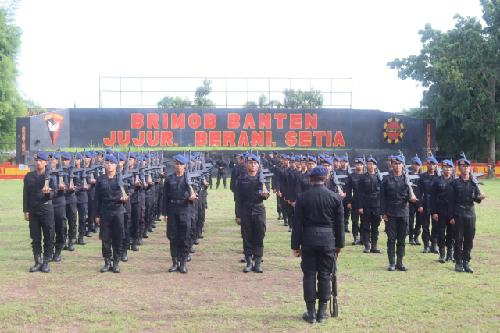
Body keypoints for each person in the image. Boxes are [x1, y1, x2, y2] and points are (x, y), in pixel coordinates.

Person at [292, 165, 344, 324]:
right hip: (328, 239)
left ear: (311, 179)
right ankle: (322, 312)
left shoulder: (302, 198)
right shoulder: (335, 197)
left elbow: (297, 224)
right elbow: (340, 224)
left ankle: (310, 312)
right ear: (326, 178)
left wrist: (295, 245)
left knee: (309, 275)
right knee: (325, 275)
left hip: (308, 239)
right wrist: (339, 245)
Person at [381, 155, 417, 271]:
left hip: (403, 212)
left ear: (403, 165)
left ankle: (399, 263)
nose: (397, 166)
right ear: (392, 165)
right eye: (395, 164)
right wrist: (383, 213)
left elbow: (410, 195)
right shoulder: (386, 179)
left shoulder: (406, 179)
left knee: (402, 238)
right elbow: (382, 197)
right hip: (390, 212)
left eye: (399, 163)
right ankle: (391, 263)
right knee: (391, 239)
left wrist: (411, 199)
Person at [449, 157, 485, 273]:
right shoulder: (454, 183)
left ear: (470, 168)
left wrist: (480, 197)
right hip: (458, 213)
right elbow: (451, 201)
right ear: (459, 168)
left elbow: (476, 199)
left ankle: (466, 262)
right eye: (462, 166)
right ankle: (458, 262)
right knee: (458, 239)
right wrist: (451, 217)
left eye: (467, 166)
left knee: (469, 239)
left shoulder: (473, 183)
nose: (465, 168)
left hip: (470, 213)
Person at [235, 154, 270, 273]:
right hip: (245, 210)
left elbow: (266, 194)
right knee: (247, 236)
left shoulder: (263, 179)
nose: (253, 165)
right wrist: (238, 215)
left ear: (258, 165)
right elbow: (237, 198)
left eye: (255, 163)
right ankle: (249, 262)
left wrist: (266, 194)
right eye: (250, 163)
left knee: (259, 235)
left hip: (259, 209)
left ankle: (258, 262)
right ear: (246, 164)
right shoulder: (241, 179)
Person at [162, 154, 197, 274]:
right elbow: (165, 197)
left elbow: (195, 193)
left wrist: (192, 196)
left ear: (185, 166)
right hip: (172, 209)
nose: (178, 166)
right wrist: (165, 213)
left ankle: (183, 263)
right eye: (176, 164)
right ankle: (174, 262)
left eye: (181, 164)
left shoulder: (190, 179)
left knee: (185, 237)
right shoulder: (169, 179)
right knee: (173, 237)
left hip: (185, 209)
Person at [23, 152, 55, 273]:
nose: (38, 163)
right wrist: (25, 210)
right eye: (37, 160)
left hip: (47, 210)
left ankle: (46, 262)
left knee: (48, 237)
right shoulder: (29, 176)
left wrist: (48, 193)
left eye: (41, 161)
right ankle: (37, 261)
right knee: (35, 238)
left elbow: (55, 193)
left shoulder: (51, 176)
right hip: (33, 211)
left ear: (46, 162)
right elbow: (25, 194)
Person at [95, 154, 127, 273]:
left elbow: (129, 192)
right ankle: (107, 262)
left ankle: (116, 262)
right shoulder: (100, 179)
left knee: (118, 237)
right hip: (105, 211)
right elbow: (97, 198)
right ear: (104, 164)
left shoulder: (121, 178)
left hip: (118, 210)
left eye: (112, 163)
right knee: (105, 238)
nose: (109, 165)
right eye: (107, 163)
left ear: (116, 165)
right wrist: (97, 215)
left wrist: (125, 198)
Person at [431, 159, 455, 263]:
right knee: (441, 232)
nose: (448, 169)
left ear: (452, 169)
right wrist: (434, 212)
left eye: (450, 168)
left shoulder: (455, 181)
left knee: (451, 233)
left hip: (452, 211)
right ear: (442, 168)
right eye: (446, 167)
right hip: (440, 210)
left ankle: (450, 254)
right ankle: (442, 254)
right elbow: (432, 197)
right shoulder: (437, 181)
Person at [357, 156, 382, 254]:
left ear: (375, 166)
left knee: (375, 226)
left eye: (372, 164)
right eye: (368, 164)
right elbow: (359, 193)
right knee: (366, 226)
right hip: (366, 204)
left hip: (376, 205)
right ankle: (367, 245)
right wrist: (360, 206)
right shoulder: (363, 177)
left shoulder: (379, 177)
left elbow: (382, 193)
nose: (370, 166)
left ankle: (374, 246)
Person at [418, 155, 439, 253]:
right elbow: (419, 192)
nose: (431, 166)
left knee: (436, 225)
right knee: (425, 226)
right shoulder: (422, 177)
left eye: (433, 164)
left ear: (435, 165)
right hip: (425, 203)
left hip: (436, 204)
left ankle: (434, 245)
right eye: (429, 164)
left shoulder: (439, 177)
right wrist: (420, 205)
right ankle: (426, 245)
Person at [408, 156, 423, 246]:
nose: (416, 166)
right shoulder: (407, 175)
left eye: (417, 164)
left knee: (419, 221)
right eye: (414, 164)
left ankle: (416, 237)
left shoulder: (422, 176)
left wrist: (421, 203)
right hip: (410, 201)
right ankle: (410, 237)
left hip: (419, 201)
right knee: (410, 220)